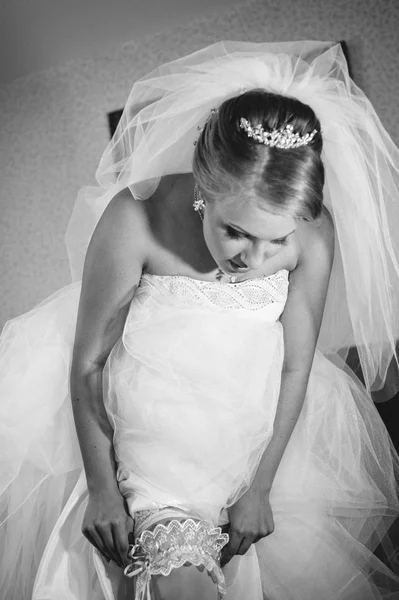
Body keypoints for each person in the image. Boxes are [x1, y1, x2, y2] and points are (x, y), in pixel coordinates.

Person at [1, 40, 399, 600]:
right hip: (150, 453)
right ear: (203, 189)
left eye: (276, 241)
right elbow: (89, 360)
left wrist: (260, 487)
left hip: (250, 453)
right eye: (235, 231)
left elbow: (295, 366)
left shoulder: (314, 232)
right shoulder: (135, 218)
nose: (253, 261)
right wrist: (101, 488)